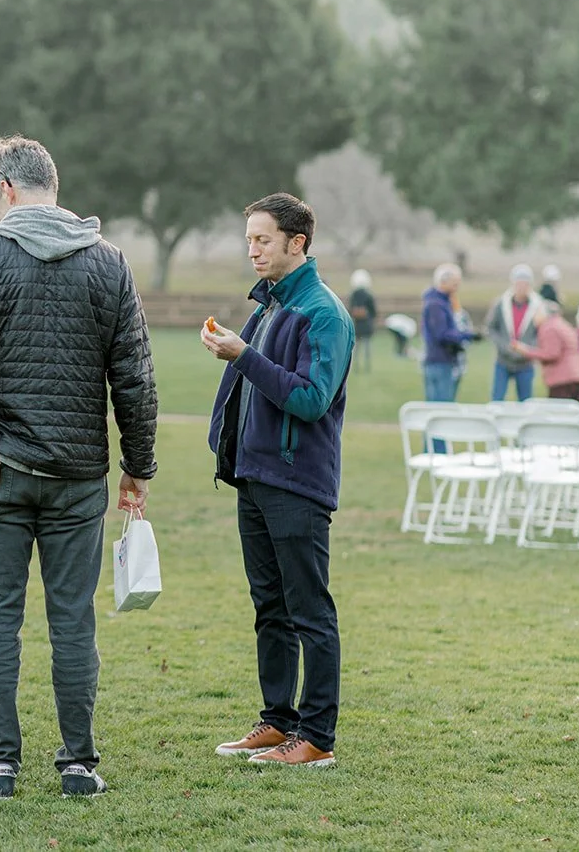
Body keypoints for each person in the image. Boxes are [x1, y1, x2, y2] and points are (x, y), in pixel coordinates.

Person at [0, 134, 157, 801]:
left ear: (2, 189)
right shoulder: (109, 263)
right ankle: (78, 762)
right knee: (72, 619)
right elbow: (135, 378)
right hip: (80, 474)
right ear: (51, 186)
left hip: (0, 471)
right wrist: (137, 464)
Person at [203, 192, 352, 769]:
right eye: (249, 240)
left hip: (296, 483)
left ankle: (316, 738)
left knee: (309, 610)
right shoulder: (267, 305)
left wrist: (241, 355)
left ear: (298, 243)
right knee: (269, 606)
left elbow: (312, 400)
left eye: (263, 240)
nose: (253, 251)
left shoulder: (323, 313)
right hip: (254, 475)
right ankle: (277, 721)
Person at [483, 265, 544, 402]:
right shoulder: (500, 303)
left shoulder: (537, 305)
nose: (522, 286)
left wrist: (528, 348)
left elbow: (541, 331)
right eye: (519, 282)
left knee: (526, 401)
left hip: (525, 362)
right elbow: (491, 328)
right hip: (503, 360)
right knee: (497, 398)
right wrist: (504, 346)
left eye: (525, 283)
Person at [512, 300, 579, 399]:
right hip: (574, 377)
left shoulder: (548, 328)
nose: (533, 317)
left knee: (559, 412)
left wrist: (525, 350)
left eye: (536, 313)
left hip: (562, 380)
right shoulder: (560, 323)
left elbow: (552, 354)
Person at [421, 263, 473, 403]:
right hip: (439, 361)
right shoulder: (436, 305)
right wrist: (466, 336)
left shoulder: (444, 302)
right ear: (443, 282)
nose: (457, 288)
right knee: (441, 407)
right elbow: (442, 334)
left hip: (443, 360)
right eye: (455, 284)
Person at [347, 269, 377, 373]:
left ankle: (355, 366)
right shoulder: (368, 295)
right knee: (367, 347)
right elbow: (373, 311)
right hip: (367, 325)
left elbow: (350, 309)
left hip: (357, 325)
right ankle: (367, 367)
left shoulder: (353, 295)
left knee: (356, 348)